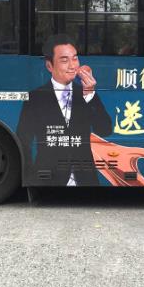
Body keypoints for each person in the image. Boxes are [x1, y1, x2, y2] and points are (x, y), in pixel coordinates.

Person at [17, 34, 113, 186]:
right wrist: (29, 178)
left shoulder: (86, 92)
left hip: (85, 180)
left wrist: (90, 95)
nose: (72, 66)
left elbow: (105, 130)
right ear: (49, 66)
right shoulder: (35, 97)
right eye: (64, 60)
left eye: (75, 59)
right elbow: (24, 142)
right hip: (48, 180)